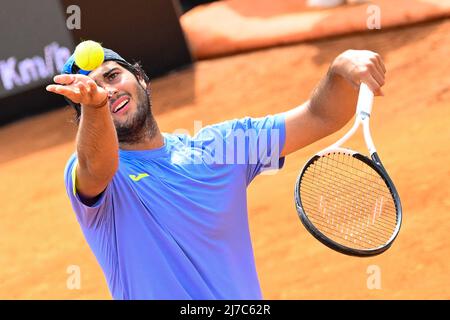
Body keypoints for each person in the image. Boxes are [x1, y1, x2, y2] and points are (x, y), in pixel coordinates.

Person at [46, 45, 385, 299]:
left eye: (112, 75)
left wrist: (340, 68)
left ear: (143, 81)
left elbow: (318, 116)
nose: (106, 90)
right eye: (91, 93)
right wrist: (96, 107)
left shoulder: (221, 149)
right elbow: (95, 165)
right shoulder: (100, 177)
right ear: (86, 119)